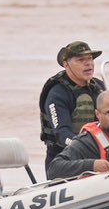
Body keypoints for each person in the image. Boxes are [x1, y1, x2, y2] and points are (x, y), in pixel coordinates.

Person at [38, 40, 105, 176]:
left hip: (99, 155)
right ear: (66, 64)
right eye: (81, 60)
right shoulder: (57, 94)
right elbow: (62, 134)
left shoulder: (100, 87)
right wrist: (87, 147)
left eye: (90, 59)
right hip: (63, 161)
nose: (88, 63)